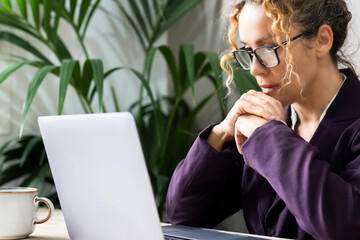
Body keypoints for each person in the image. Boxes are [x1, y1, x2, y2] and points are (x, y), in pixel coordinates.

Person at [166, 0, 360, 239]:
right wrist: (222, 133)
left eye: (269, 48)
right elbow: (182, 212)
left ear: (322, 40)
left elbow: (345, 227)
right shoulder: (261, 125)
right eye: (248, 51)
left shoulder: (268, 133)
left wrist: (273, 138)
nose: (255, 69)